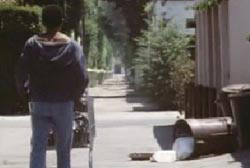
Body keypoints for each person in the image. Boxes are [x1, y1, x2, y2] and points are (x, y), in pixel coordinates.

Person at [16, 5, 89, 168]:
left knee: (38, 148)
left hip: (39, 102)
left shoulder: (32, 44)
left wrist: (25, 93)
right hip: (64, 104)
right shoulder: (72, 46)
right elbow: (83, 77)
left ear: (43, 22)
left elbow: (21, 72)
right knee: (63, 150)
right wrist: (75, 97)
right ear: (61, 22)